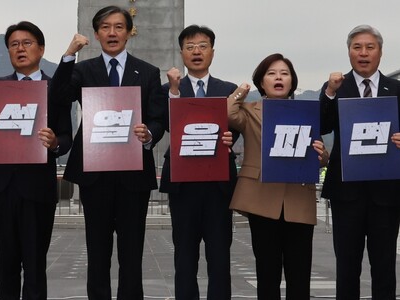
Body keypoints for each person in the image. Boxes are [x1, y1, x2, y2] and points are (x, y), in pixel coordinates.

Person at [50, 5, 167, 299]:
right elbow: (59, 95)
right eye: (105, 27)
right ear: (96, 33)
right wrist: (68, 54)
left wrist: (149, 133)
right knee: (97, 253)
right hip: (95, 175)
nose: (112, 33)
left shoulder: (149, 72)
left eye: (118, 27)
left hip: (133, 178)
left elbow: (157, 117)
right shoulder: (82, 69)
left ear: (129, 32)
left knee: (132, 254)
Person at [0, 21, 72, 299]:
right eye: (13, 44)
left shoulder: (56, 88)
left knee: (36, 262)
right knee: (6, 260)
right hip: (2, 185)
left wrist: (54, 143)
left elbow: (66, 137)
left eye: (27, 43)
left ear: (41, 49)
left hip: (38, 187)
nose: (20, 49)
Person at [228, 53, 328, 300]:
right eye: (271, 74)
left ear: (292, 81)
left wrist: (322, 155)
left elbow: (322, 156)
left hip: (298, 201)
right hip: (262, 201)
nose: (278, 78)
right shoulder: (250, 111)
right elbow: (229, 113)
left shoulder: (306, 111)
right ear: (262, 82)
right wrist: (242, 90)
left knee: (300, 273)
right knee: (267, 273)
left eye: (284, 73)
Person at [319, 24, 400, 300]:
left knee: (385, 268)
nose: (363, 53)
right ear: (349, 52)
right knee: (347, 268)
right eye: (357, 47)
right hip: (347, 194)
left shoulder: (397, 89)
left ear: (380, 52)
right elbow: (321, 125)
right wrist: (329, 92)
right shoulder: (337, 87)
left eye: (369, 47)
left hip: (387, 195)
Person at [160, 25, 237, 300]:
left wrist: (229, 136)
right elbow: (167, 125)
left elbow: (236, 128)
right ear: (181, 53)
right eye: (190, 46)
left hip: (218, 186)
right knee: (184, 256)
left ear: (212, 52)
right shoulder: (168, 90)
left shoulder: (228, 91)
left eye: (203, 46)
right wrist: (173, 91)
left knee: (219, 257)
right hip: (183, 185)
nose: (196, 51)